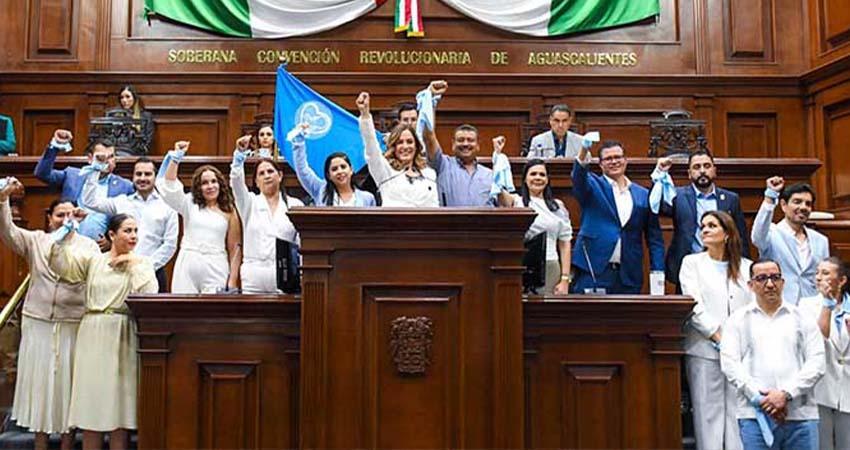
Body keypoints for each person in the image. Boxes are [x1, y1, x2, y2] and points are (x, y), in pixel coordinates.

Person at [0, 179, 98, 450]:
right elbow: (7, 231)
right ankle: (40, 444)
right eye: (59, 215)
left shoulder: (88, 246)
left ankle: (67, 444)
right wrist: (3, 200)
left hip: (72, 323)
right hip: (38, 322)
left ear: (78, 217)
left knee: (68, 388)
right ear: (50, 218)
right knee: (40, 388)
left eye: (70, 215)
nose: (65, 220)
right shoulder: (36, 240)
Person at [51, 213, 158, 450]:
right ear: (112, 234)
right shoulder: (94, 261)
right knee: (92, 405)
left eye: (135, 231)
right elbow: (63, 267)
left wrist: (133, 264)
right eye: (127, 231)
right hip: (93, 332)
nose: (133, 236)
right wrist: (63, 236)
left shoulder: (142, 262)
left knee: (119, 409)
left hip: (122, 332)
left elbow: (149, 293)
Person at [720, 259, 825, 450]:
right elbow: (730, 365)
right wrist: (762, 400)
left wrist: (786, 394)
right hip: (755, 416)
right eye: (762, 278)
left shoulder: (802, 318)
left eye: (775, 278)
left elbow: (817, 362)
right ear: (750, 285)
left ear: (783, 283)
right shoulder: (737, 321)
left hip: (800, 416)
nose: (770, 284)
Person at [679, 210, 753, 450]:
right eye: (703, 226)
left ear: (727, 233)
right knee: (707, 414)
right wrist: (718, 336)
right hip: (704, 348)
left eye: (712, 225)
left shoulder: (746, 267)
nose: (705, 230)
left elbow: (752, 308)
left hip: (741, 352)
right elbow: (694, 305)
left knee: (738, 412)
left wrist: (738, 342)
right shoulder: (692, 263)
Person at [570, 140, 664, 294]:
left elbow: (655, 239)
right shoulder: (593, 185)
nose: (614, 162)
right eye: (608, 159)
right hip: (594, 270)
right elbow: (578, 178)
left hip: (629, 274)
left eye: (618, 157)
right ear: (600, 164)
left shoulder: (643, 194)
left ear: (625, 160)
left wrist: (658, 272)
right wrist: (583, 152)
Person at [651, 151, 750, 291]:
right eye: (697, 167)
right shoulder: (677, 196)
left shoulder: (731, 199)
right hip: (688, 269)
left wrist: (742, 270)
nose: (702, 171)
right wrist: (660, 173)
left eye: (707, 166)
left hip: (723, 267)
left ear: (714, 170)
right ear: (689, 173)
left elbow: (740, 237)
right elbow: (656, 206)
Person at [81, 156, 178, 292]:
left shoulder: (168, 206)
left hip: (153, 271)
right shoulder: (121, 202)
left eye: (147, 174)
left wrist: (145, 266)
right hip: (120, 271)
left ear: (155, 177)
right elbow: (89, 201)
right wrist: (96, 169)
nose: (142, 178)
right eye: (138, 174)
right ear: (133, 177)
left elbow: (170, 244)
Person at [156, 141, 241, 293]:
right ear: (198, 187)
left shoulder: (229, 210)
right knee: (183, 305)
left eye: (214, 181)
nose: (210, 186)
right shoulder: (189, 203)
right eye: (204, 183)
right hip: (187, 263)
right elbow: (170, 186)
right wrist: (176, 158)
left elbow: (235, 248)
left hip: (216, 265)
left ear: (220, 184)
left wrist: (233, 280)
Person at [34, 129, 134, 244]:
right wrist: (55, 145)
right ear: (90, 158)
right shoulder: (72, 175)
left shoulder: (125, 186)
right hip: (69, 242)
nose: (107, 161)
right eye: (100, 157)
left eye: (111, 157)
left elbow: (130, 220)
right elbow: (42, 174)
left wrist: (111, 241)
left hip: (101, 248)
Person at [231, 136, 304, 292]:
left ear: (280, 176)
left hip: (284, 273)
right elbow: (236, 183)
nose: (267, 175)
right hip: (253, 273)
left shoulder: (295, 205)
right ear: (256, 182)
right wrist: (239, 155)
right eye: (261, 173)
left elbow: (301, 243)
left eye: (270, 171)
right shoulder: (249, 203)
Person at [497, 154, 572, 294]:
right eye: (533, 174)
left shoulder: (558, 206)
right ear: (525, 179)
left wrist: (565, 279)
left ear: (547, 180)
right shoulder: (516, 201)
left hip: (550, 265)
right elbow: (498, 189)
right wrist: (498, 156)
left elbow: (565, 243)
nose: (538, 177)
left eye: (542, 175)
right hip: (523, 265)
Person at [798, 257, 850, 450]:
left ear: (842, 280)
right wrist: (827, 306)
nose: (818, 277)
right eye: (817, 273)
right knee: (822, 445)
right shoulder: (805, 306)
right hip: (821, 387)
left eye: (825, 273)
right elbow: (818, 339)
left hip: (847, 388)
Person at [751, 177, 830, 304]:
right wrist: (770, 196)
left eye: (808, 204)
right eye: (797, 202)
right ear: (783, 205)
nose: (803, 207)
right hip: (780, 304)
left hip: (812, 306)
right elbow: (757, 236)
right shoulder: (770, 233)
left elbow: (825, 276)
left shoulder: (821, 240)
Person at [419, 80, 494, 207]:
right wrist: (430, 100)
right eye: (461, 140)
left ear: (478, 145)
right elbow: (428, 137)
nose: (465, 144)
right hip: (449, 220)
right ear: (453, 144)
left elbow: (506, 204)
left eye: (470, 140)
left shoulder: (490, 175)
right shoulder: (442, 165)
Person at [357, 92, 438, 207]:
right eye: (400, 142)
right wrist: (365, 115)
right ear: (394, 147)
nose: (405, 146)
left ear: (416, 146)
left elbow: (435, 206)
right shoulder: (385, 171)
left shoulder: (429, 174)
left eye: (409, 142)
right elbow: (371, 148)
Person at [291, 126, 375, 206]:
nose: (340, 171)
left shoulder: (367, 198)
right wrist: (299, 141)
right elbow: (302, 170)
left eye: (343, 167)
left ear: (351, 170)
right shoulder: (320, 191)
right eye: (334, 169)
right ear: (329, 175)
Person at [115, 85, 154, 156]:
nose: (124, 100)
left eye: (127, 97)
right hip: (118, 152)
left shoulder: (146, 116)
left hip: (136, 153)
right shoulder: (115, 115)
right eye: (121, 97)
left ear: (135, 98)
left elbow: (148, 141)